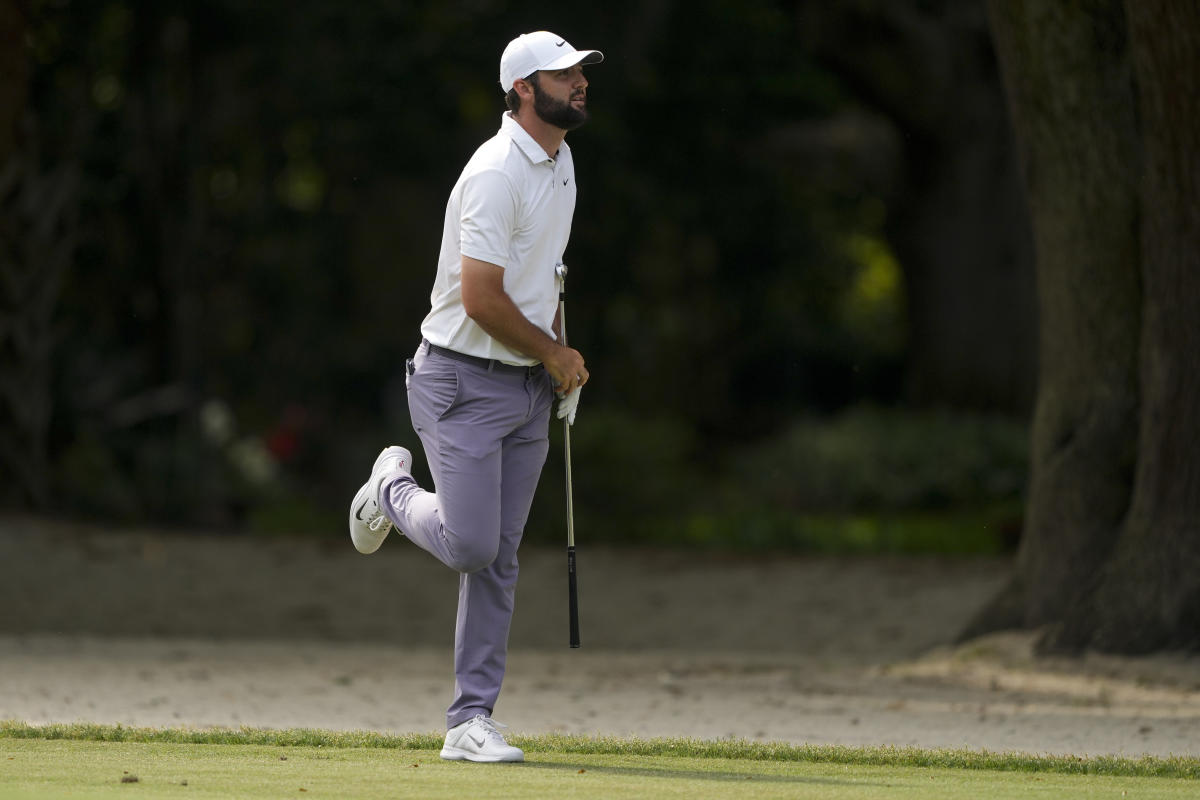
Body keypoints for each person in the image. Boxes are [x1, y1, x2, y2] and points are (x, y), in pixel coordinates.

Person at [347, 31, 603, 763]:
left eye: (582, 72)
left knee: (500, 559)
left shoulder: (561, 163)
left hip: (523, 385)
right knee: (470, 545)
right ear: (523, 88)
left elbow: (542, 278)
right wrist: (551, 350)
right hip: (459, 379)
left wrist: (559, 360)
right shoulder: (497, 171)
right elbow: (481, 298)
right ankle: (391, 487)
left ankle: (469, 720)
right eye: (564, 74)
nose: (580, 82)